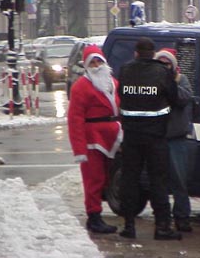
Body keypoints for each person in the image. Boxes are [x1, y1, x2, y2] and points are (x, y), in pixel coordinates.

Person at [118, 37, 182, 240]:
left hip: (131, 136)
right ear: (152, 54)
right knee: (158, 181)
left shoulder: (125, 70)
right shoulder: (161, 72)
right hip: (155, 136)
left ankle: (129, 226)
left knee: (130, 179)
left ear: (136, 53)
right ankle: (162, 227)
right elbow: (175, 98)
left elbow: (121, 94)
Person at [67, 45, 123, 234]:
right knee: (94, 179)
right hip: (92, 139)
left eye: (99, 61)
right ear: (86, 65)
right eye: (93, 62)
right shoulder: (80, 87)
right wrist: (80, 149)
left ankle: (97, 214)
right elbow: (74, 120)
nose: (97, 65)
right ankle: (94, 217)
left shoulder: (113, 83)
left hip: (113, 137)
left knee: (106, 178)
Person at [154, 48, 193, 232]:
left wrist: (171, 85)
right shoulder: (152, 81)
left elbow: (184, 98)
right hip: (158, 138)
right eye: (160, 63)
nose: (164, 66)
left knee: (179, 181)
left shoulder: (181, 79)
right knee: (159, 182)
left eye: (167, 63)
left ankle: (182, 218)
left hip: (177, 139)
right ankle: (163, 218)